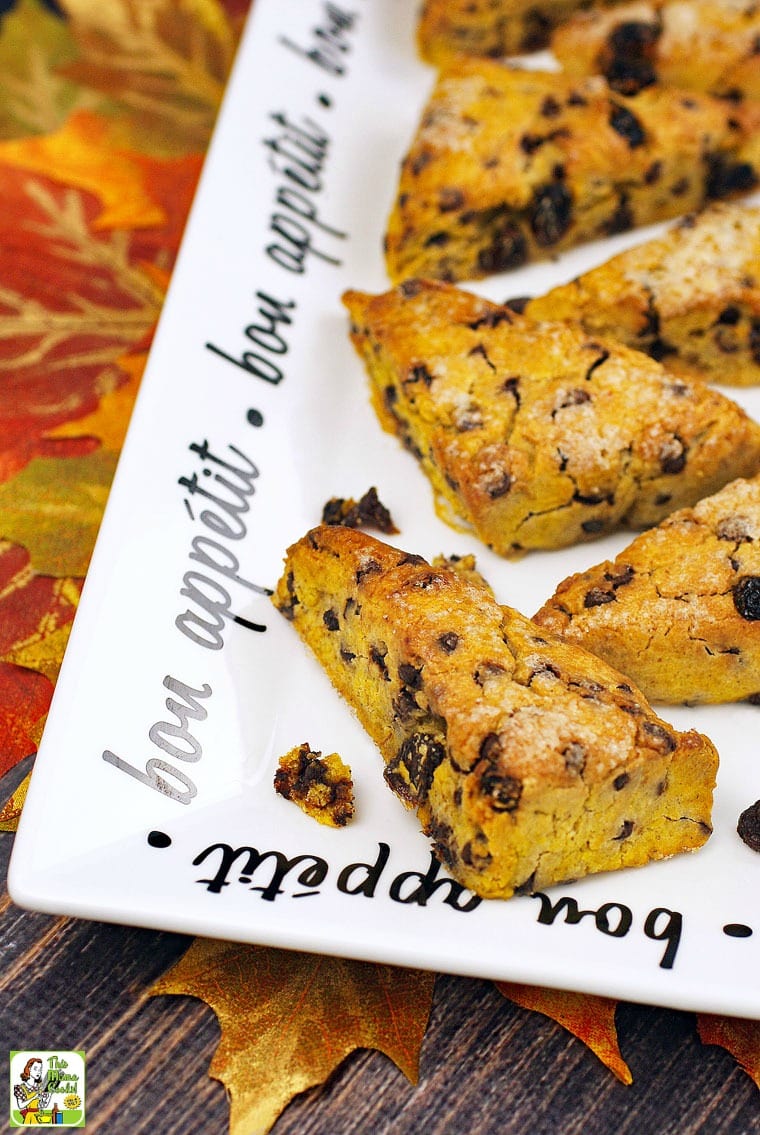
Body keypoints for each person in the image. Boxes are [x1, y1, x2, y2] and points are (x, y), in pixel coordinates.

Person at [13, 1058, 51, 1125]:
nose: (38, 1072)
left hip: (39, 1117)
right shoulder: (20, 1088)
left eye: (40, 1070)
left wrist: (49, 1094)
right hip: (29, 1117)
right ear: (29, 1069)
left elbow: (43, 1105)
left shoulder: (40, 1086)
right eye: (36, 1069)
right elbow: (20, 1106)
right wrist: (34, 1097)